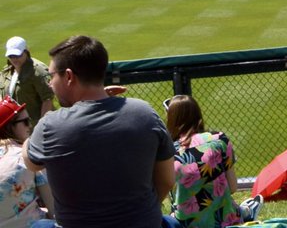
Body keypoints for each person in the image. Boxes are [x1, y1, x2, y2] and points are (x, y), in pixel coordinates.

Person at [23, 35, 175, 228]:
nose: (50, 83)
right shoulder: (145, 113)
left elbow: (31, 162)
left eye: (51, 76)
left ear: (69, 76)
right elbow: (167, 180)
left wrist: (31, 134)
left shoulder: (50, 125)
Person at [165, 95, 260, 227]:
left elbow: (171, 197)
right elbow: (232, 187)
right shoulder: (219, 139)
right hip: (225, 221)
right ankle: (245, 212)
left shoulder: (167, 152)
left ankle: (245, 212)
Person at [0, 96, 56, 228]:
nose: (30, 125)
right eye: (25, 121)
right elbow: (54, 209)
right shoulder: (27, 156)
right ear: (9, 126)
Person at [1, 39, 54, 129]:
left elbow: (47, 100)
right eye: (11, 56)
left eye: (17, 55)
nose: (14, 59)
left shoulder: (37, 70)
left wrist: (41, 127)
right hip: (14, 126)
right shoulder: (7, 71)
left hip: (33, 126)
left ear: (26, 51)